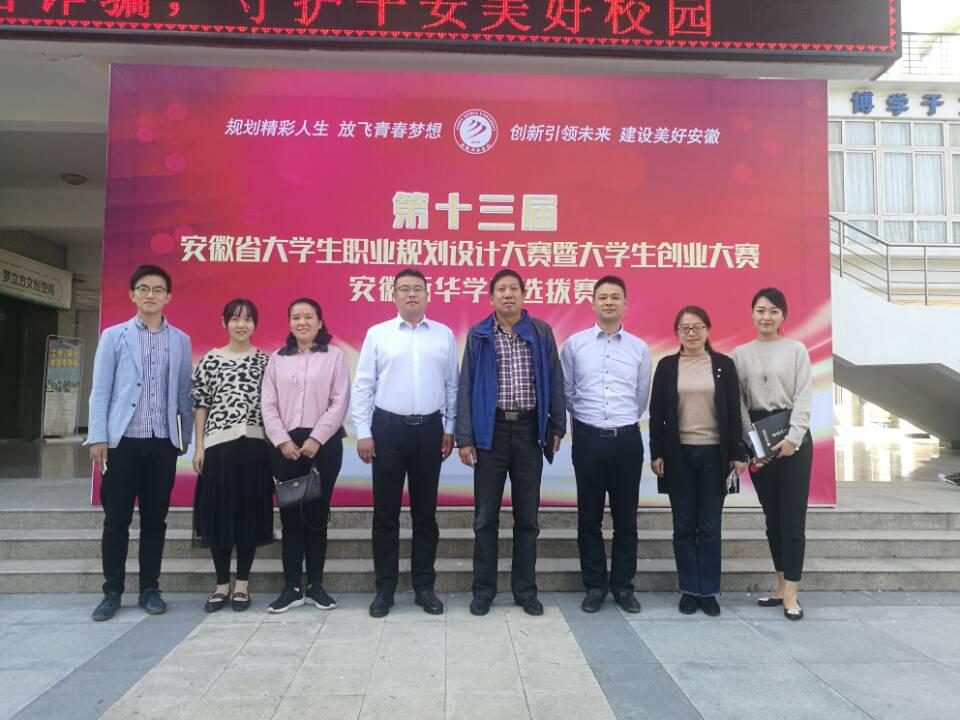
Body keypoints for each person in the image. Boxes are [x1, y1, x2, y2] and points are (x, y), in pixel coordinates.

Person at [456, 269, 566, 617]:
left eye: (513, 289)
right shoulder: (479, 335)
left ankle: (525, 591)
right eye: (501, 289)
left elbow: (555, 379)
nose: (508, 294)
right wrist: (465, 438)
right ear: (491, 297)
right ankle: (483, 591)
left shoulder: (540, 331)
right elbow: (466, 386)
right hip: (491, 434)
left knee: (527, 517)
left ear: (523, 294)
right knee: (485, 517)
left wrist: (557, 425)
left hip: (530, 432)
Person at [86, 264, 193, 621]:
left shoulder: (180, 340)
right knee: (116, 520)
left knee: (155, 520)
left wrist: (184, 438)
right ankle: (112, 591)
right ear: (132, 294)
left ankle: (150, 588)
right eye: (144, 288)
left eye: (158, 289)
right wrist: (98, 436)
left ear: (168, 297)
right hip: (122, 443)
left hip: (161, 443)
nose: (151, 295)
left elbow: (183, 392)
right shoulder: (113, 336)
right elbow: (101, 389)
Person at [352, 269, 459, 618]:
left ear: (428, 295)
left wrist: (450, 427)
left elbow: (452, 385)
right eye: (404, 289)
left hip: (430, 430)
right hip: (387, 430)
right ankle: (385, 589)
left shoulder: (443, 335)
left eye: (417, 289)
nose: (411, 294)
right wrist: (363, 432)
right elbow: (363, 385)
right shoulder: (378, 334)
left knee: (425, 514)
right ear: (394, 295)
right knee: (385, 514)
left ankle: (424, 586)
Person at [560, 276, 650, 614]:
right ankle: (595, 586)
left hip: (627, 440)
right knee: (589, 518)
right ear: (593, 303)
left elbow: (641, 397)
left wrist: (619, 421)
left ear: (625, 304)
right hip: (588, 440)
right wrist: (589, 421)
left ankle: (623, 586)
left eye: (615, 297)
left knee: (626, 520)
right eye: (603, 297)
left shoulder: (639, 348)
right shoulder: (575, 345)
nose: (609, 302)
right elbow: (568, 392)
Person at [649, 306, 747, 617]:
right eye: (685, 328)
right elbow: (657, 414)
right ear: (677, 332)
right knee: (683, 525)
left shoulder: (723, 365)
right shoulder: (667, 366)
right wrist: (656, 452)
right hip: (678, 456)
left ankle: (709, 591)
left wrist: (738, 453)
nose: (691, 333)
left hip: (714, 456)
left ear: (708, 330)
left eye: (697, 327)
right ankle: (689, 590)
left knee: (710, 526)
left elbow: (733, 412)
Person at [261, 298, 350, 613]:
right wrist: (282, 441)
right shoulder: (277, 359)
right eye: (296, 317)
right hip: (285, 447)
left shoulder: (334, 357)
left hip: (323, 445)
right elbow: (268, 404)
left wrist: (316, 438)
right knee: (290, 517)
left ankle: (315, 585)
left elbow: (339, 402)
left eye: (308, 317)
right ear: (289, 323)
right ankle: (292, 587)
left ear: (320, 322)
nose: (302, 322)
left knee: (316, 515)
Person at [732, 288, 813, 621]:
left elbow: (804, 396)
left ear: (783, 316)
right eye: (761, 310)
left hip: (792, 441)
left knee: (792, 519)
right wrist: (753, 445)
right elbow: (738, 404)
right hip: (760, 441)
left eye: (774, 311)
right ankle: (780, 587)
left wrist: (793, 438)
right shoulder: (739, 355)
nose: (766, 317)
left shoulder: (796, 350)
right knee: (773, 519)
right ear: (752, 313)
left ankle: (792, 594)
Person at [191, 298, 274, 613]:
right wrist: (199, 447)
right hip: (218, 449)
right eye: (236, 319)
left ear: (255, 324)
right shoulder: (211, 360)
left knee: (249, 517)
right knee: (219, 517)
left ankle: (242, 585)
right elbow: (201, 405)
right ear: (224, 322)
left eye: (248, 319)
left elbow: (272, 407)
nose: (242, 324)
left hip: (255, 447)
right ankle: (221, 586)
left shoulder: (266, 361)